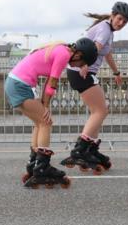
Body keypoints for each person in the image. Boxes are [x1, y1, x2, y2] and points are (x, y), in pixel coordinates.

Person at [6, 38, 99, 189]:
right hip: (20, 85)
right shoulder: (63, 55)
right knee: (46, 122)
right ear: (78, 54)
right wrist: (46, 107)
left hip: (14, 83)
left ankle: (34, 164)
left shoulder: (60, 49)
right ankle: (42, 168)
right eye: (81, 63)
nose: (78, 66)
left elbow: (49, 81)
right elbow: (53, 82)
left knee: (39, 123)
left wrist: (44, 104)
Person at [61, 1, 128, 172]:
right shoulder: (104, 29)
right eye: (120, 18)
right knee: (100, 111)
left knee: (99, 112)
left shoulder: (108, 29)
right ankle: (80, 150)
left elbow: (106, 52)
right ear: (113, 15)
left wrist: (116, 73)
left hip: (83, 72)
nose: (121, 23)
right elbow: (95, 47)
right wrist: (84, 63)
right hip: (82, 73)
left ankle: (90, 148)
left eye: (125, 21)